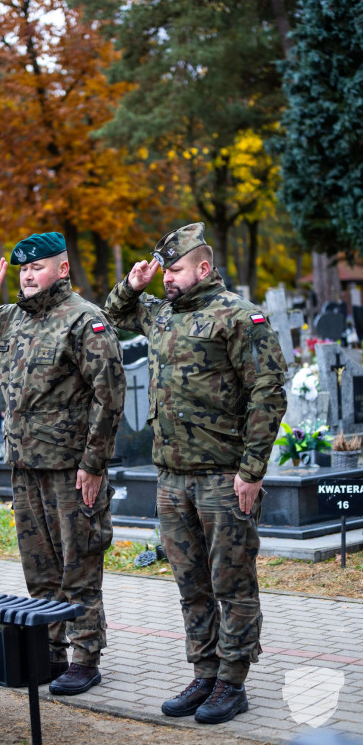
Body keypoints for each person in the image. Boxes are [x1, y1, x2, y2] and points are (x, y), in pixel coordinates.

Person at [104, 222, 287, 724]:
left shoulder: (239, 316)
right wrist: (132, 284)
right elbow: (112, 315)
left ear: (203, 268)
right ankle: (205, 672)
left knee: (233, 584)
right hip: (172, 479)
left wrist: (252, 470)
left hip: (223, 477)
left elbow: (268, 392)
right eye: (164, 270)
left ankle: (232, 681)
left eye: (176, 269)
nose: (167, 277)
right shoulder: (162, 315)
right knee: (192, 585)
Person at [0, 231, 125, 695]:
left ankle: (86, 656)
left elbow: (109, 397)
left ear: (62, 269)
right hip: (25, 466)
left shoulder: (85, 320)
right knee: (40, 568)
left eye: (37, 267)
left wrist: (94, 463)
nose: (27, 276)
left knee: (79, 563)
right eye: (24, 269)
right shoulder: (7, 318)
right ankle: (51, 650)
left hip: (71, 469)